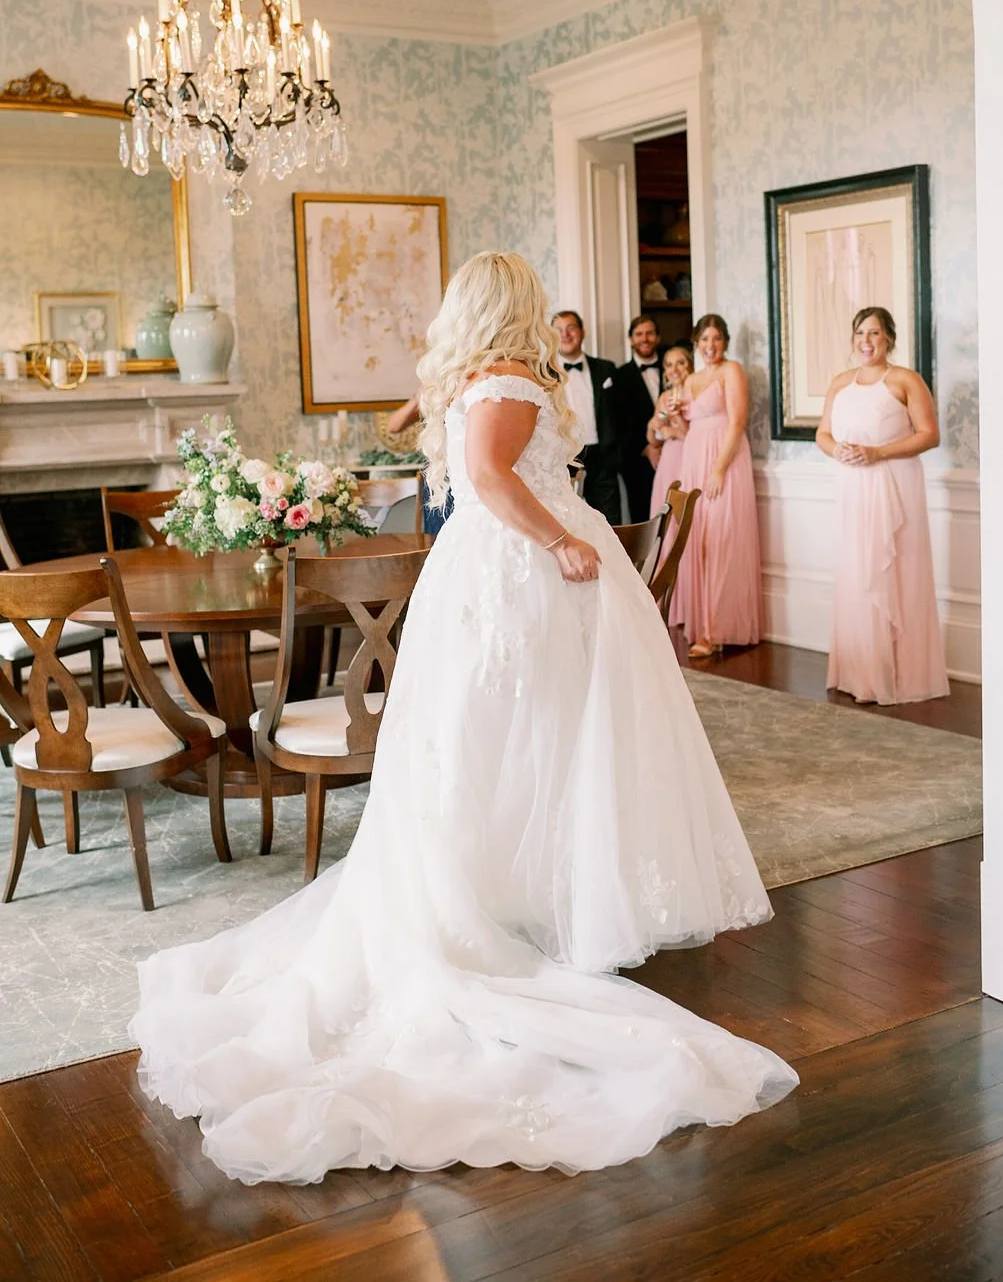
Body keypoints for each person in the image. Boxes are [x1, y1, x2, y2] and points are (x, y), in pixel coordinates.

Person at [130, 252, 795, 1185]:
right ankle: (521, 906)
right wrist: (564, 537)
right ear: (516, 308)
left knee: (508, 749)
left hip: (484, 573)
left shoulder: (471, 378)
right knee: (537, 743)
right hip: (523, 570)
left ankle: (521, 894)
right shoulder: (512, 377)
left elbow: (477, 473)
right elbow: (489, 476)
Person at [816, 306, 949, 705]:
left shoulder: (905, 379)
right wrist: (837, 449)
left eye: (874, 333)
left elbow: (929, 435)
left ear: (888, 338)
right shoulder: (840, 382)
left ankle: (901, 673)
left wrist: (878, 453)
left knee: (896, 573)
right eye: (860, 333)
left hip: (894, 487)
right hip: (852, 486)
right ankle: (860, 670)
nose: (866, 341)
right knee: (858, 572)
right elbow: (822, 433)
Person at [674, 315, 761, 656]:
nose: (710, 346)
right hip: (694, 460)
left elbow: (738, 423)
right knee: (699, 541)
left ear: (725, 342)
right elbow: (684, 432)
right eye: (704, 339)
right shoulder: (692, 379)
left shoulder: (731, 371)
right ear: (696, 342)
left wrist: (719, 470)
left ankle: (719, 629)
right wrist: (672, 416)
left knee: (722, 540)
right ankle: (704, 624)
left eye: (717, 339)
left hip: (724, 462)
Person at [552, 308, 620, 524]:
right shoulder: (545, 372)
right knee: (569, 521)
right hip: (564, 457)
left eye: (571, 328)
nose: (565, 334)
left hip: (602, 456)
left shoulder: (606, 369)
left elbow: (620, 413)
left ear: (582, 332)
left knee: (610, 520)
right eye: (559, 330)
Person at [612, 315, 664, 520]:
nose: (645, 339)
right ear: (631, 339)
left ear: (658, 337)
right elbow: (618, 421)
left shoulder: (673, 368)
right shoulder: (619, 376)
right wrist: (647, 447)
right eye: (639, 334)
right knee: (643, 518)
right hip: (637, 460)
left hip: (674, 452)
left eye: (650, 333)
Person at [385, 394, 451, 535]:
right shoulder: (435, 394)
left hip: (465, 471)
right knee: (438, 532)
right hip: (439, 472)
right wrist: (419, 396)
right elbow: (393, 426)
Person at [647, 344, 694, 519]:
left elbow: (697, 438)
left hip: (688, 458)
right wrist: (652, 427)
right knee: (667, 512)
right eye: (669, 365)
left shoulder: (695, 395)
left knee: (686, 512)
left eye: (680, 363)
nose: (674, 369)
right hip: (668, 460)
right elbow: (655, 441)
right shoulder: (664, 398)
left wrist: (673, 431)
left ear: (690, 364)